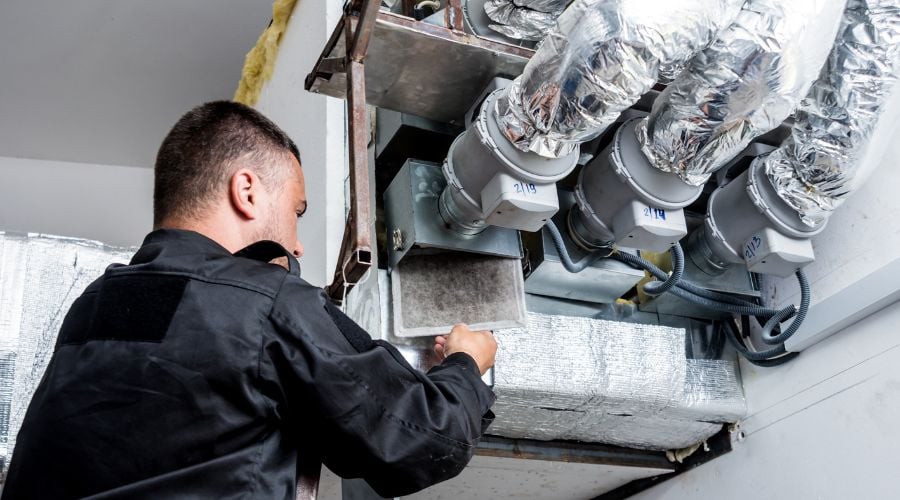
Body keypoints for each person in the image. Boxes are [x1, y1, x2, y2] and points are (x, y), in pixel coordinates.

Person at [3, 101, 498, 499]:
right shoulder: (263, 300)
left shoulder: (93, 305)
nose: (297, 245)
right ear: (247, 190)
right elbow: (421, 437)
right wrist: (466, 365)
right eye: (296, 212)